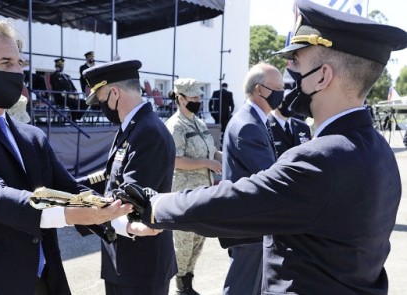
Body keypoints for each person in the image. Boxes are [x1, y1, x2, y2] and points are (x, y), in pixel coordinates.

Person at [124, 0, 407, 293]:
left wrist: (155, 205)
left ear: (322, 76)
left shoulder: (320, 158)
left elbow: (236, 200)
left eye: (296, 62)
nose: (288, 74)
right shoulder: (381, 151)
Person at [0, 17, 132, 295]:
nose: (17, 72)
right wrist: (69, 214)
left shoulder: (31, 136)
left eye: (20, 64)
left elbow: (69, 189)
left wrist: (121, 218)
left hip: (44, 281)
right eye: (6, 63)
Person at [80, 59, 177, 295]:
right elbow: (113, 176)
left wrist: (82, 211)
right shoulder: (133, 127)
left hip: (141, 264)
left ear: (114, 92)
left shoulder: (147, 132)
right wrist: (76, 190)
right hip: (123, 261)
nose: (101, 107)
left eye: (102, 101)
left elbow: (130, 199)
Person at [220, 63, 283, 295]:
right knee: (242, 288)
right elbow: (270, 175)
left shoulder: (253, 120)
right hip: (249, 225)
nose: (282, 92)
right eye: (277, 87)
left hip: (249, 223)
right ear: (260, 90)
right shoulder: (248, 124)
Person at [166, 78, 222, 295]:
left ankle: (189, 281)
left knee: (199, 240)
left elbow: (211, 150)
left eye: (200, 96)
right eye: (194, 97)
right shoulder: (175, 126)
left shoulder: (199, 123)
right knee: (183, 243)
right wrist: (208, 163)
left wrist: (225, 157)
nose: (199, 100)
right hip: (184, 195)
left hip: (203, 193)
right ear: (181, 99)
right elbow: (175, 160)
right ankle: (181, 286)